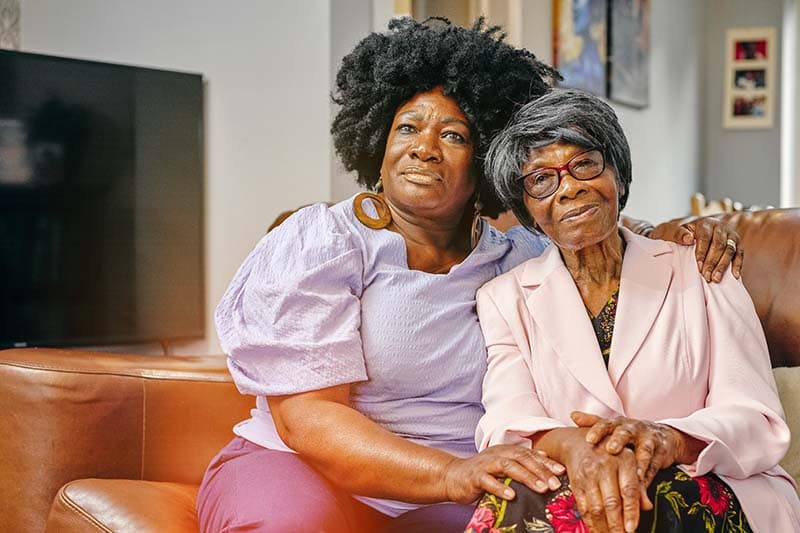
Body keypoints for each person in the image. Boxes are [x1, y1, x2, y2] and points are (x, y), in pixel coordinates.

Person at [197, 18, 743, 533]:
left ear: (487, 159)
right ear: (376, 142)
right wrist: (450, 474)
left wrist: (688, 235)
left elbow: (592, 222)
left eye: (454, 136)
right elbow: (308, 419)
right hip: (301, 467)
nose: (424, 149)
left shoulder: (521, 256)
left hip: (467, 483)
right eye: (406, 127)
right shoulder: (323, 242)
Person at [468, 88, 799, 533]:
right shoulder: (503, 298)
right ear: (528, 211)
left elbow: (756, 418)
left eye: (584, 163)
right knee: (518, 500)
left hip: (708, 478)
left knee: (634, 502)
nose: (569, 188)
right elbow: (507, 420)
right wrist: (577, 449)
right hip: (575, 479)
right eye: (541, 180)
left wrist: (668, 440)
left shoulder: (703, 267)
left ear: (618, 176)